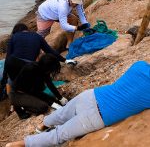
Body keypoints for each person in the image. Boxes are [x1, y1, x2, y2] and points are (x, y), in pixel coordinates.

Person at [5, 60, 150, 147]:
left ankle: (43, 124)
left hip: (91, 95)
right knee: (58, 136)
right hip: (96, 117)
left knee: (62, 113)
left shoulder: (139, 65)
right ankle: (18, 144)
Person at [0, 23, 76, 101]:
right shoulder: (37, 36)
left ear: (16, 31)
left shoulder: (14, 37)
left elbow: (8, 58)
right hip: (29, 68)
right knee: (40, 82)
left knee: (10, 80)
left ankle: (12, 100)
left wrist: (4, 79)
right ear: (27, 30)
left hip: (14, 66)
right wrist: (65, 60)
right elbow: (50, 51)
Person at [7, 53, 68, 119]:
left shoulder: (43, 70)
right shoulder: (30, 70)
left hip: (30, 90)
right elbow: (34, 92)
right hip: (17, 94)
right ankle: (20, 107)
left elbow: (49, 84)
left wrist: (60, 98)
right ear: (47, 68)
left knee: (54, 100)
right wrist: (52, 104)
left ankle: (27, 103)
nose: (51, 72)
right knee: (43, 107)